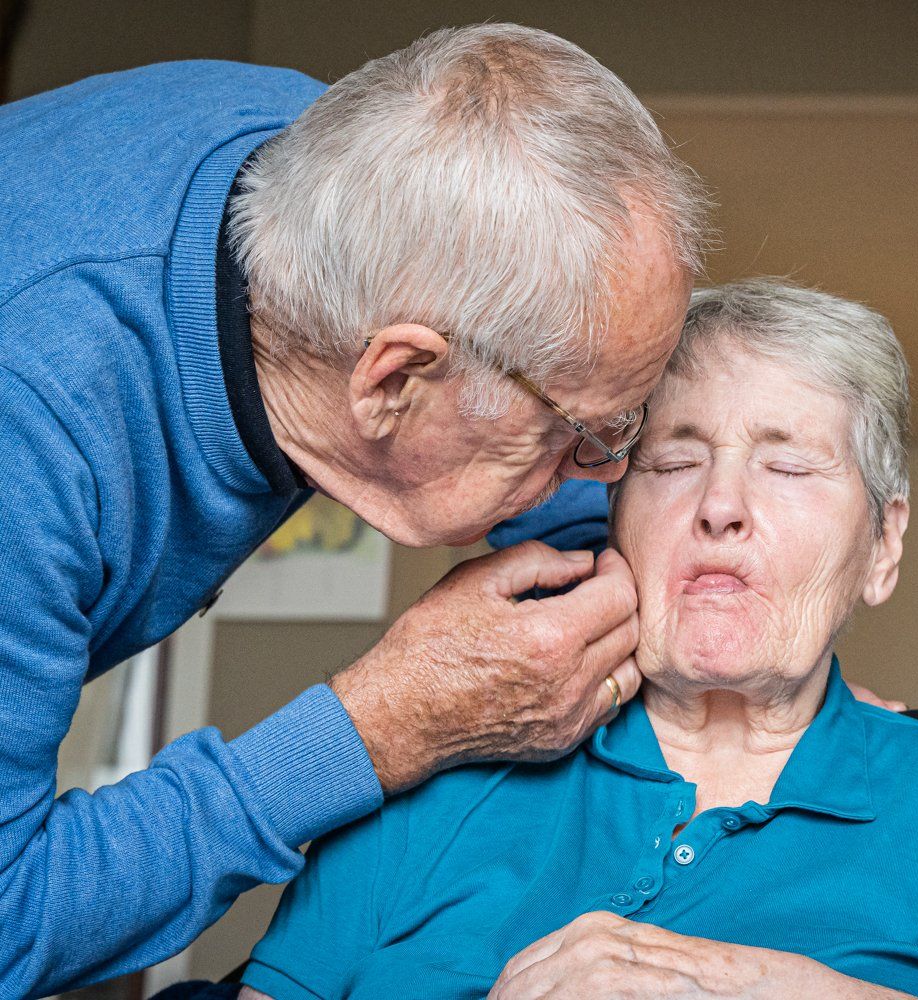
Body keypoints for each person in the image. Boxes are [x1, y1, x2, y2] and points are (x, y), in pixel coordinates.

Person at [0, 24, 713, 998]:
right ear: (391, 381)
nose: (604, 472)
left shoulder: (347, 166)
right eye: (575, 434)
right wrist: (379, 727)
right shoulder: (30, 427)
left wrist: (619, 584)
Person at [237, 280, 918, 1000]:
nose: (721, 506)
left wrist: (761, 987)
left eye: (787, 466)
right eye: (675, 461)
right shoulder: (443, 773)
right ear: (614, 519)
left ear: (882, 547)